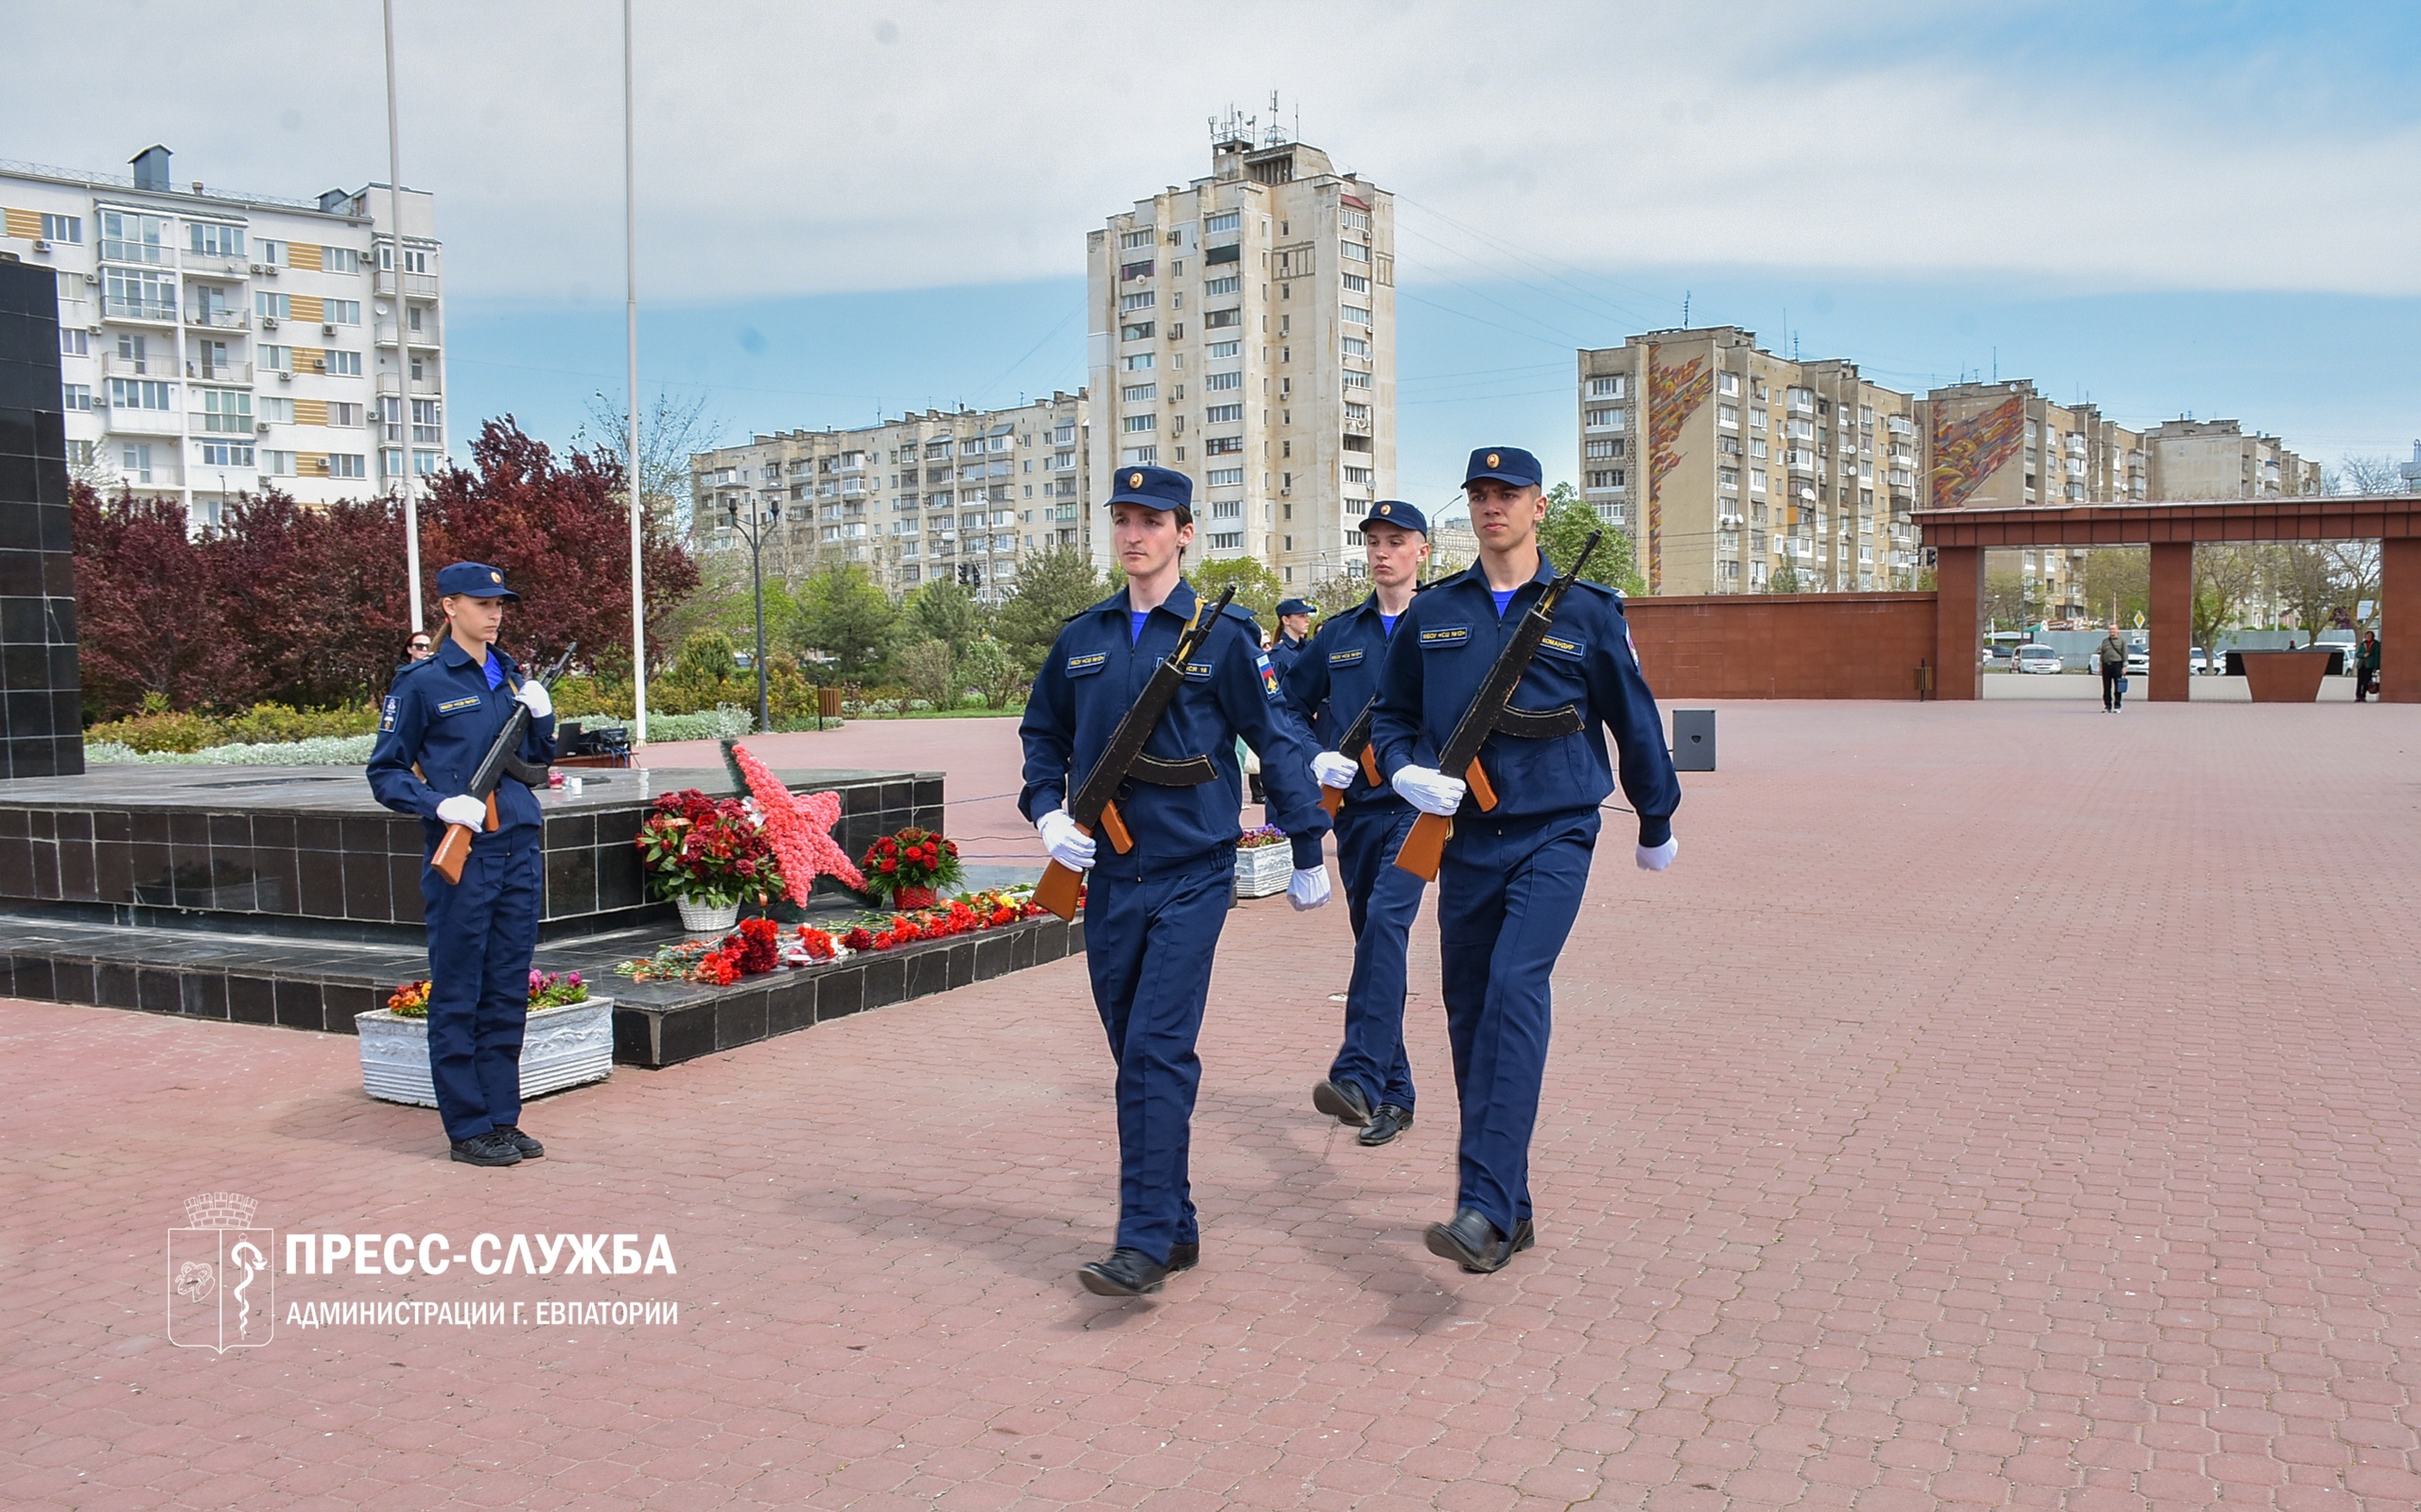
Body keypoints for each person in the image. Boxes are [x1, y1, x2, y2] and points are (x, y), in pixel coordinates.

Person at [1019, 464, 1334, 1298]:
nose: (1135, 534)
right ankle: (1177, 1220)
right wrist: (1046, 813)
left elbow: (1277, 738)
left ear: (1185, 532)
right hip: (1108, 875)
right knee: (1133, 1050)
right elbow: (1041, 736)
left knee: (1157, 1046)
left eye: (1152, 520)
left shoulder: (1223, 635)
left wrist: (1307, 841)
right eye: (1123, 518)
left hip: (1194, 871)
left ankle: (1144, 1238)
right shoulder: (1081, 636)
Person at [1371, 446, 1681, 1275]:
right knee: (1469, 1012)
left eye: (1507, 494)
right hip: (1464, 839)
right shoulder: (1437, 611)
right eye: (1478, 494)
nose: (1491, 506)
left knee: (1513, 988)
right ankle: (1510, 1208)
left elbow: (1633, 718)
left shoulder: (1585, 611)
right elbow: (1391, 715)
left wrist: (1656, 815)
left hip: (1556, 829)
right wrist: (1403, 768)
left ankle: (1478, 1206)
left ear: (1540, 506)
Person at [366, 563, 558, 1167]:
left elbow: (536, 759)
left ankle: (503, 1117)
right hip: (466, 853)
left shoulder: (510, 677)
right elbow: (386, 771)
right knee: (460, 990)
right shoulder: (421, 683)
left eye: (500, 602)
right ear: (449, 608)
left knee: (507, 988)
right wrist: (437, 802)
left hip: (519, 848)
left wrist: (542, 715)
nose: (495, 613)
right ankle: (468, 1127)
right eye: (482, 603)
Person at [1283, 500, 1432, 1148]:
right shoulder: (1339, 634)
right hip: (1359, 812)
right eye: (1373, 540)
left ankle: (1362, 1073)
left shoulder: (1449, 624)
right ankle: (1394, 1091)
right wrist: (1316, 752)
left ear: (1422, 550)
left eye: (1396, 541)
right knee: (1373, 939)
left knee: (1386, 922)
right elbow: (1283, 707)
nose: (1382, 552)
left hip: (1424, 806)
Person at [1269, 598, 1317, 684]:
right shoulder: (1277, 655)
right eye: (1301, 616)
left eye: (1307, 615)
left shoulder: (1308, 648)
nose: (1307, 620)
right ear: (1286, 620)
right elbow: (1272, 690)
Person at [2097, 626, 2127, 712]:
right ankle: (2107, 706)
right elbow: (2102, 654)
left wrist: (2125, 666)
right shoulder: (2105, 641)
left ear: (2117, 630)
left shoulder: (2122, 640)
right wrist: (2101, 665)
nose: (2112, 631)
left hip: (2117, 664)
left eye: (2113, 629)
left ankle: (2117, 706)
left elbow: (2125, 653)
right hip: (2106, 665)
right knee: (2106, 687)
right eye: (2110, 629)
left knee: (2118, 687)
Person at [2359, 632, 2380, 702]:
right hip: (2362, 664)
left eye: (2369, 635)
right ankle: (2358, 696)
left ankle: (2363, 695)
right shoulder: (2363, 644)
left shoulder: (2376, 644)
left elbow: (2377, 655)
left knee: (2366, 681)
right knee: (2359, 681)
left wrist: (2376, 666)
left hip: (2370, 665)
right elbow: (2358, 654)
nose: (2368, 637)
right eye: (2367, 635)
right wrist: (2363, 655)